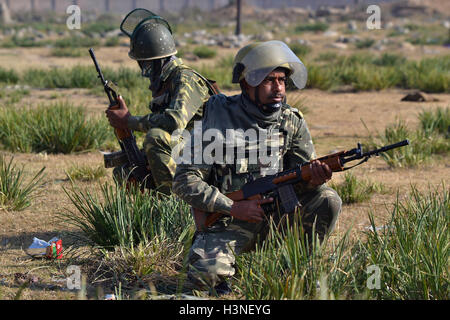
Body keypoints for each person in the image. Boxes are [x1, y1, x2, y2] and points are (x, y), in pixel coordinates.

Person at [172, 40, 342, 295]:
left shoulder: (290, 121)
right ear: (247, 83)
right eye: (269, 80)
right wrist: (233, 207)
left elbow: (300, 177)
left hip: (276, 216)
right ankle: (221, 268)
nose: (278, 88)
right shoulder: (216, 117)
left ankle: (302, 270)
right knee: (204, 279)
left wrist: (315, 177)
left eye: (282, 80)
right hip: (229, 221)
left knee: (327, 199)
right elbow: (185, 181)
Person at [105, 9, 216, 195]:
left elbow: (174, 122)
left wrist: (128, 121)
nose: (144, 70)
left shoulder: (185, 78)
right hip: (189, 150)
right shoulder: (165, 82)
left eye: (146, 64)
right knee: (126, 170)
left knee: (155, 138)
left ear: (158, 61)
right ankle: (151, 212)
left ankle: (176, 206)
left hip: (211, 155)